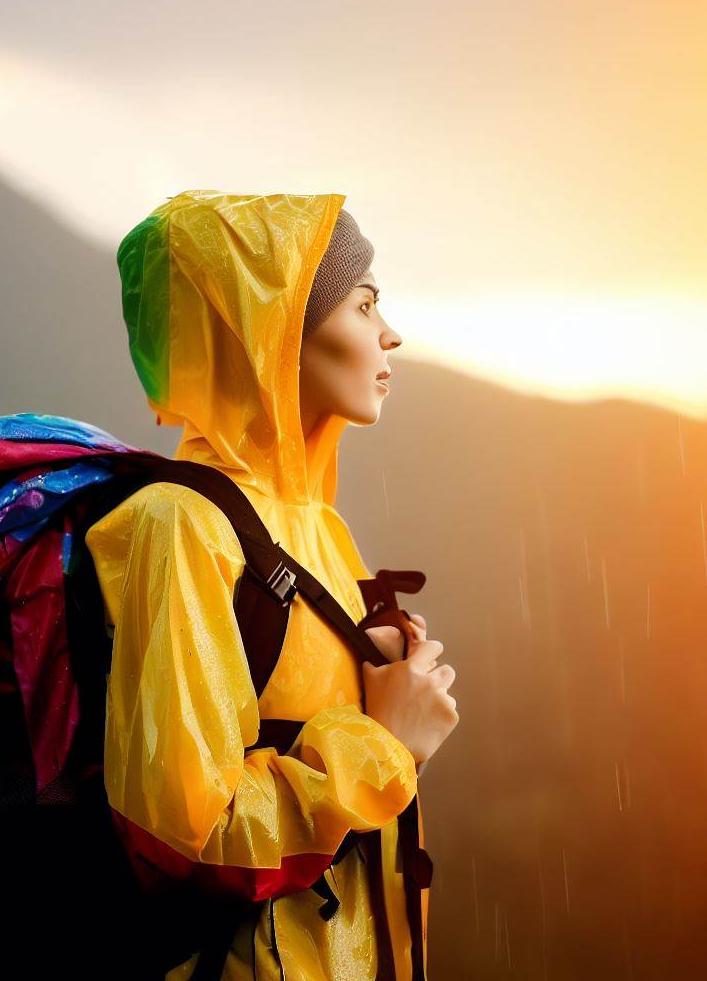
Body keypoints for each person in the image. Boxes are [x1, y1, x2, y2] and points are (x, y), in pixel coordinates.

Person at [84, 190, 459, 981]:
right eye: (364, 305)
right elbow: (182, 835)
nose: (390, 333)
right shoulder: (182, 525)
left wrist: (365, 669)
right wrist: (384, 745)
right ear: (275, 331)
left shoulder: (314, 523)